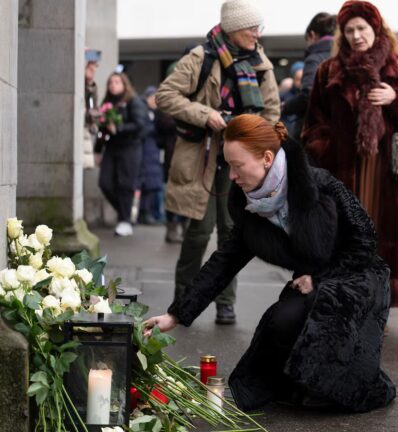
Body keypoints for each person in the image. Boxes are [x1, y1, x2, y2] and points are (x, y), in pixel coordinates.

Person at [142, 114, 394, 412]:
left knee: (324, 310)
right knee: (281, 320)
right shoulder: (249, 207)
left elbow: (366, 239)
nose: (232, 176)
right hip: (313, 280)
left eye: (237, 166)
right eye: (229, 165)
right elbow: (223, 262)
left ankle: (337, 388)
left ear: (266, 158)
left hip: (357, 275)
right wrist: (176, 315)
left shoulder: (319, 185)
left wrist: (321, 277)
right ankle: (295, 384)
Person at [156, 0, 280, 325]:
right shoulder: (201, 56)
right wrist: (206, 114)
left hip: (240, 159)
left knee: (232, 233)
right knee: (199, 231)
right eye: (252, 28)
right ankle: (181, 303)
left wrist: (253, 138)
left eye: (258, 28)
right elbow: (166, 95)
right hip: (205, 154)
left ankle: (225, 303)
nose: (257, 34)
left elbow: (271, 112)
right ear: (234, 28)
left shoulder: (259, 62)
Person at [303, 0, 398, 308]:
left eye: (362, 28)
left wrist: (397, 98)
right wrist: (327, 150)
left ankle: (378, 305)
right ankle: (344, 301)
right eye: (350, 30)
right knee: (348, 236)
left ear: (376, 28)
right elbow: (313, 124)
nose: (357, 35)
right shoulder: (328, 71)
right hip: (344, 170)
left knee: (383, 236)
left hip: (389, 171)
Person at [96, 72, 148, 237]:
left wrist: (120, 128)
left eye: (117, 82)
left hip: (130, 147)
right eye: (111, 82)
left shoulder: (134, 101)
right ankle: (126, 213)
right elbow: (102, 131)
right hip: (112, 147)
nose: (113, 85)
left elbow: (140, 125)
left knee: (125, 184)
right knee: (105, 183)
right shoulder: (107, 103)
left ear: (124, 84)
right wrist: (98, 150)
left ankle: (125, 220)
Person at [282, 12, 336, 140]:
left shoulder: (315, 58)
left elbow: (308, 94)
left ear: (312, 35)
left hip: (318, 131)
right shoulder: (345, 54)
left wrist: (287, 106)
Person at [138, 86, 166, 225]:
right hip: (146, 151)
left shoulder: (154, 113)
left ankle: (149, 213)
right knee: (146, 184)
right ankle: (144, 213)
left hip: (152, 151)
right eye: (154, 98)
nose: (156, 102)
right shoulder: (145, 112)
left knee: (151, 185)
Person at [84, 48, 101, 170]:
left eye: (95, 65)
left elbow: (93, 107)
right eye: (91, 64)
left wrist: (90, 83)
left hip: (84, 131)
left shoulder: (91, 87)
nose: (93, 69)